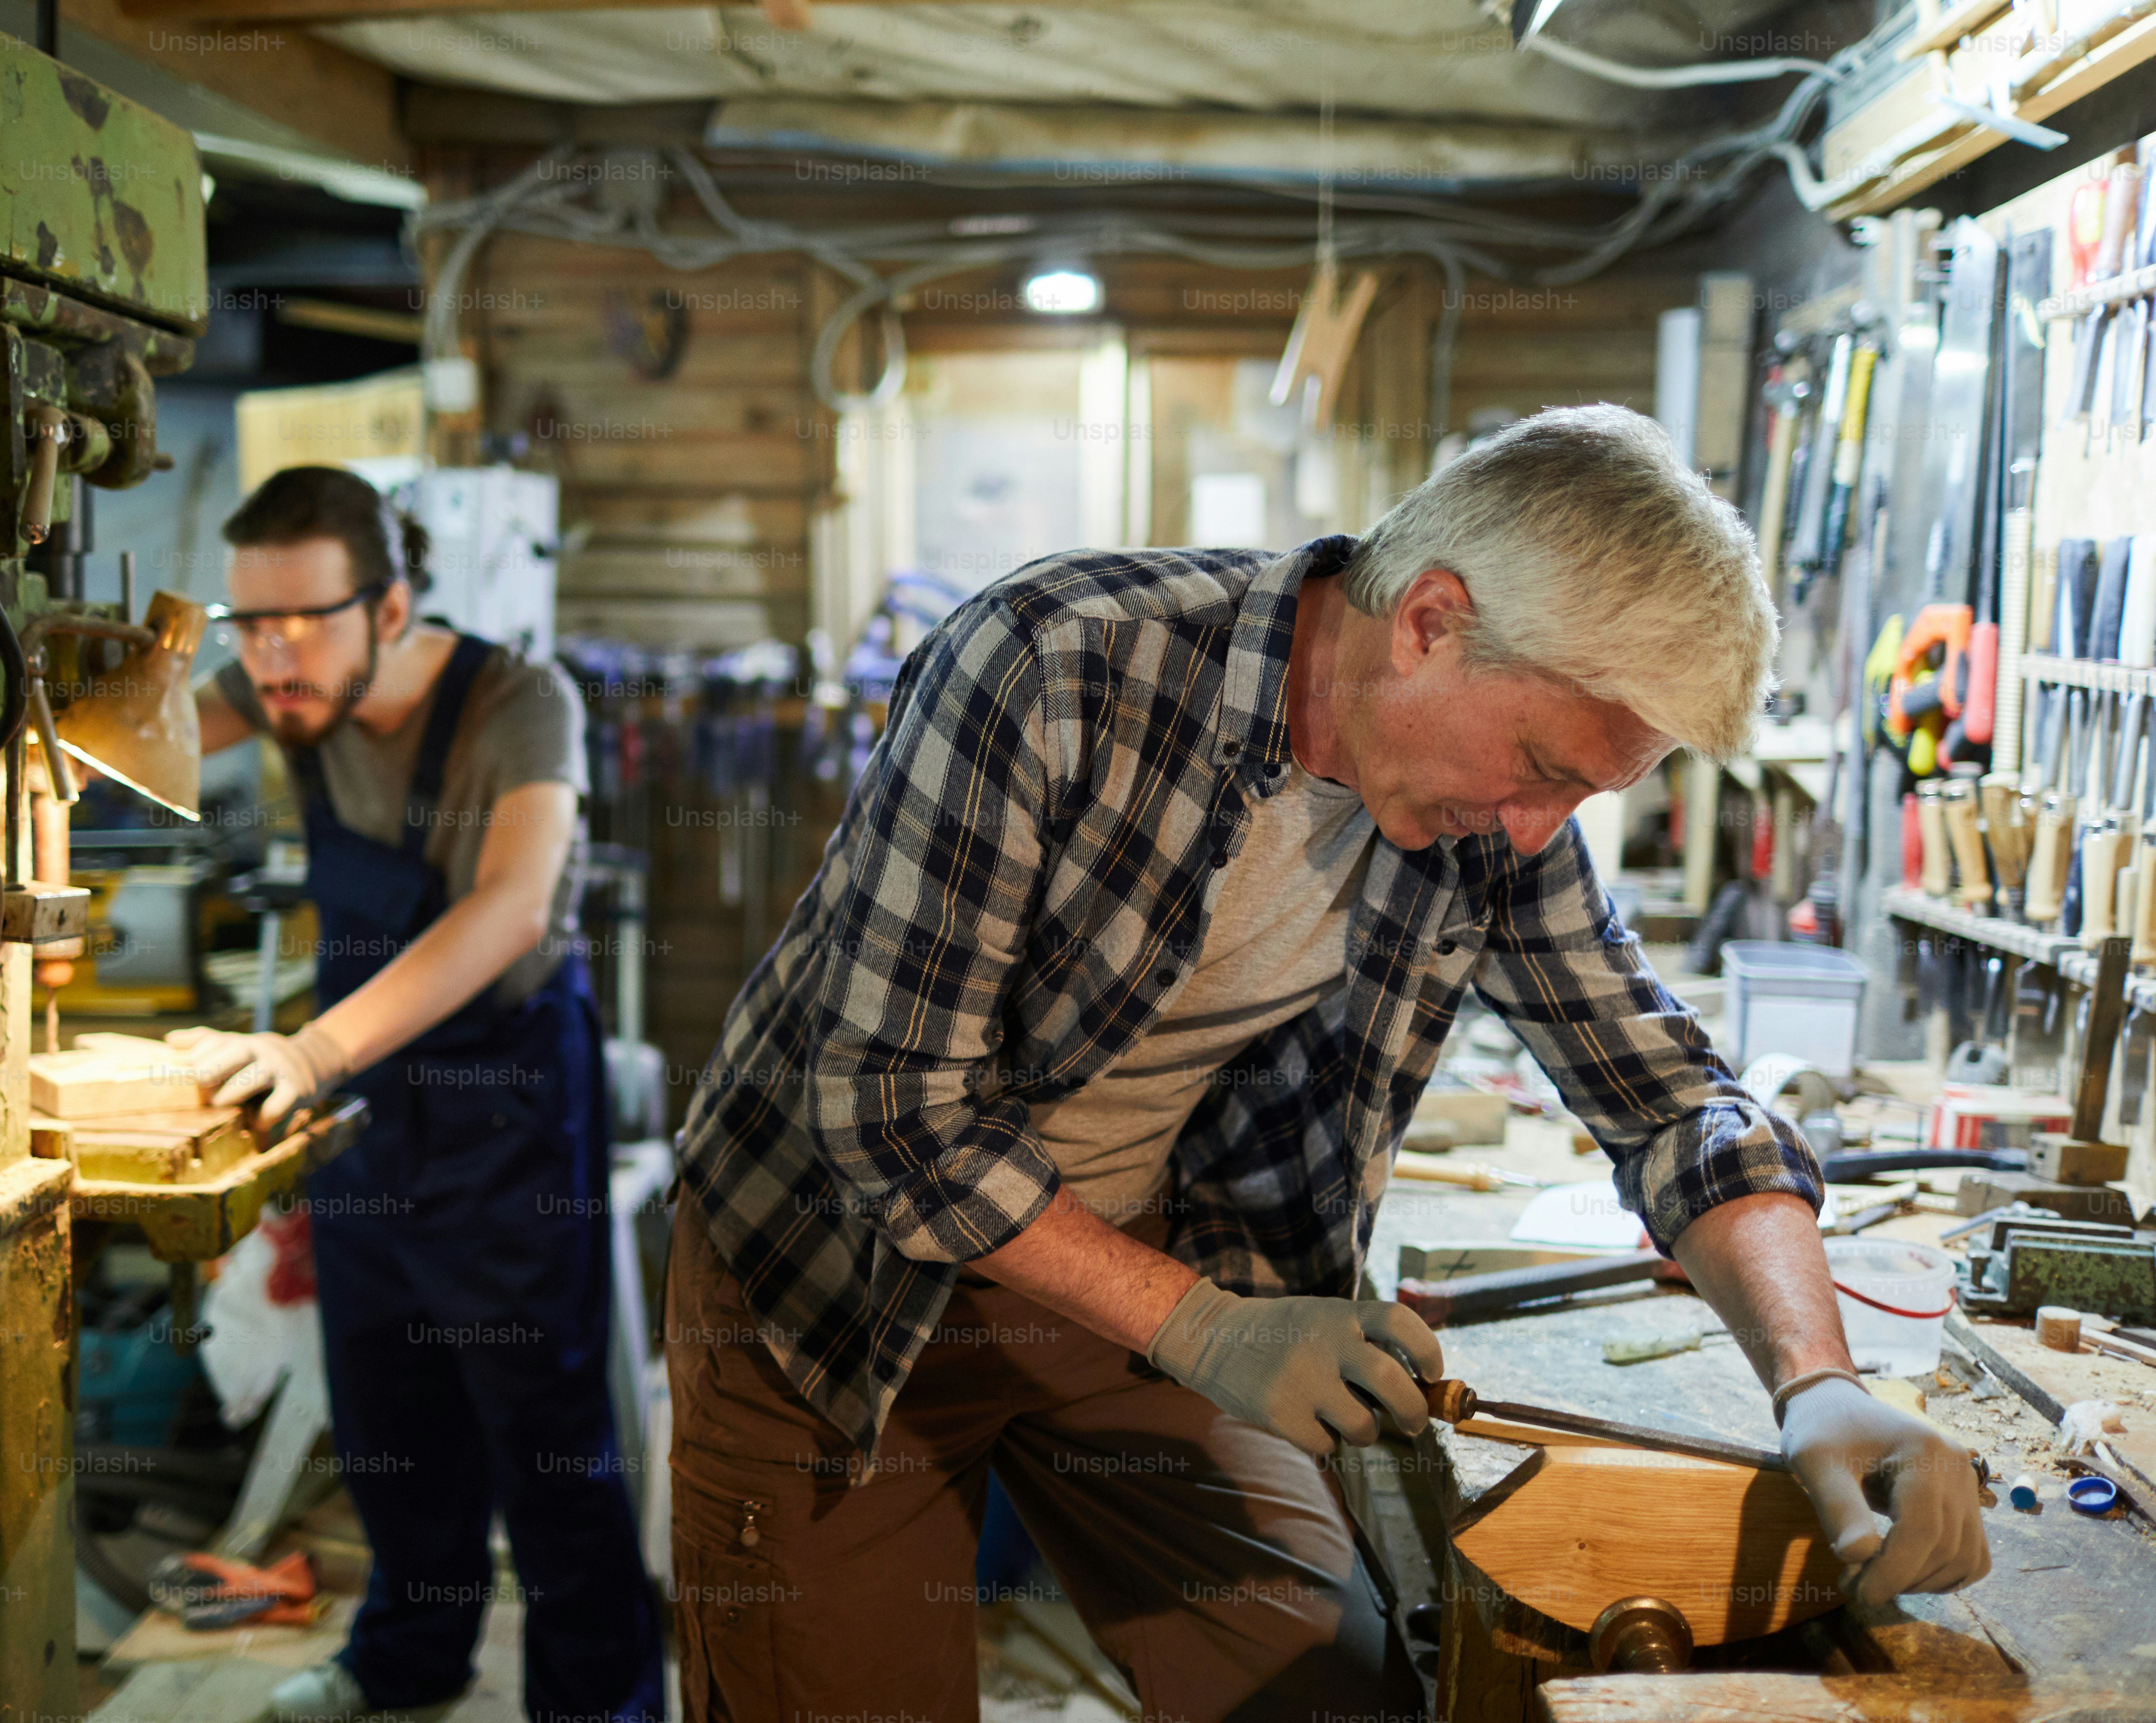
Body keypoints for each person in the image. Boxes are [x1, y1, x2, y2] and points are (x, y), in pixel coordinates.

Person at [665, 405, 1989, 1718]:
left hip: (1112, 1268)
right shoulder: (1058, 666)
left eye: (1581, 794)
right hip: (830, 1279)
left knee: (1329, 1695)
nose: (1535, 837)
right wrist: (1209, 1333)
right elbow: (891, 1112)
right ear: (1429, 624)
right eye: (1539, 769)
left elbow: (1673, 1105)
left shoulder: (1490, 813)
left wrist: (1817, 1381)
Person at [168, 466, 663, 1723]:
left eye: (303, 622)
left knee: (544, 1440)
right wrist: (95, 673)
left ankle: (598, 1705)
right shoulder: (283, 687)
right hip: (368, 1111)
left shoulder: (520, 701)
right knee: (390, 1415)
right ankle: (406, 1662)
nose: (269, 658)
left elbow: (507, 909)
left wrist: (310, 1054)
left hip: (500, 1100)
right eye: (247, 624)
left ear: (390, 609)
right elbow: (126, 737)